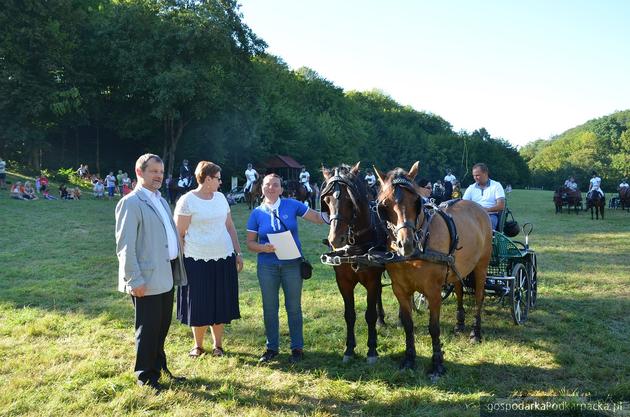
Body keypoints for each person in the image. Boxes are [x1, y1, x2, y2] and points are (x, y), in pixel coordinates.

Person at [115, 153, 187, 392]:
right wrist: (134, 279)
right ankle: (145, 377)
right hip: (145, 278)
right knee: (147, 329)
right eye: (153, 171)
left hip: (166, 274)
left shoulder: (162, 200)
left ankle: (159, 367)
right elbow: (125, 246)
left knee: (162, 325)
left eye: (161, 172)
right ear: (139, 172)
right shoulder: (131, 203)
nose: (158, 176)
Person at [246, 173, 324, 364]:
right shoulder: (256, 213)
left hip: (292, 265)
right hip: (267, 266)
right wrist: (263, 248)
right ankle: (272, 347)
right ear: (261, 188)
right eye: (267, 185)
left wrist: (338, 214)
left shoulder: (292, 204)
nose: (271, 188)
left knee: (294, 308)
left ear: (281, 189)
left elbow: (316, 217)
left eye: (275, 185)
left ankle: (297, 348)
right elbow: (249, 243)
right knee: (270, 308)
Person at [174, 161, 244, 358]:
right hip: (196, 260)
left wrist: (238, 253)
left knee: (219, 301)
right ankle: (198, 345)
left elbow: (230, 227)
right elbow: (179, 233)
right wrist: (179, 261)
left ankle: (218, 345)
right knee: (199, 302)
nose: (221, 182)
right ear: (207, 179)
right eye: (218, 179)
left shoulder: (221, 198)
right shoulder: (187, 200)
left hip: (223, 257)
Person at [462, 163, 505, 230]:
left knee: (486, 225)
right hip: (472, 216)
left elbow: (501, 206)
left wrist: (486, 210)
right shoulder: (471, 188)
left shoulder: (496, 186)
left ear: (485, 173)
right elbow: (463, 204)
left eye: (477, 175)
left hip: (490, 215)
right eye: (474, 175)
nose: (475, 178)